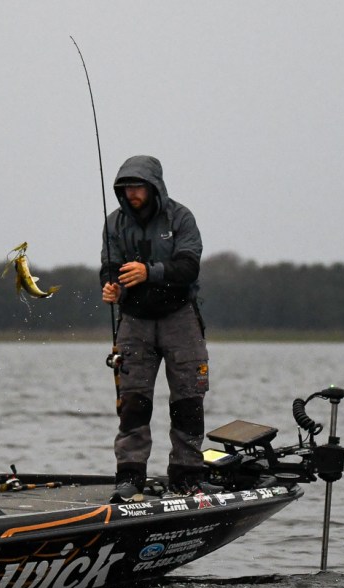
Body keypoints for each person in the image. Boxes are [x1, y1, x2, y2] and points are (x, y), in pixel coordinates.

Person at [99, 155, 217, 502]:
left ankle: (186, 476)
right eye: (126, 188)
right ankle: (130, 477)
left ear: (154, 187)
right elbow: (109, 266)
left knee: (188, 400)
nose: (132, 194)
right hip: (134, 322)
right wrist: (112, 287)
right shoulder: (114, 223)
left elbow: (189, 267)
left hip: (180, 318)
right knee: (132, 402)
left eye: (138, 187)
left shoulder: (181, 218)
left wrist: (150, 272)